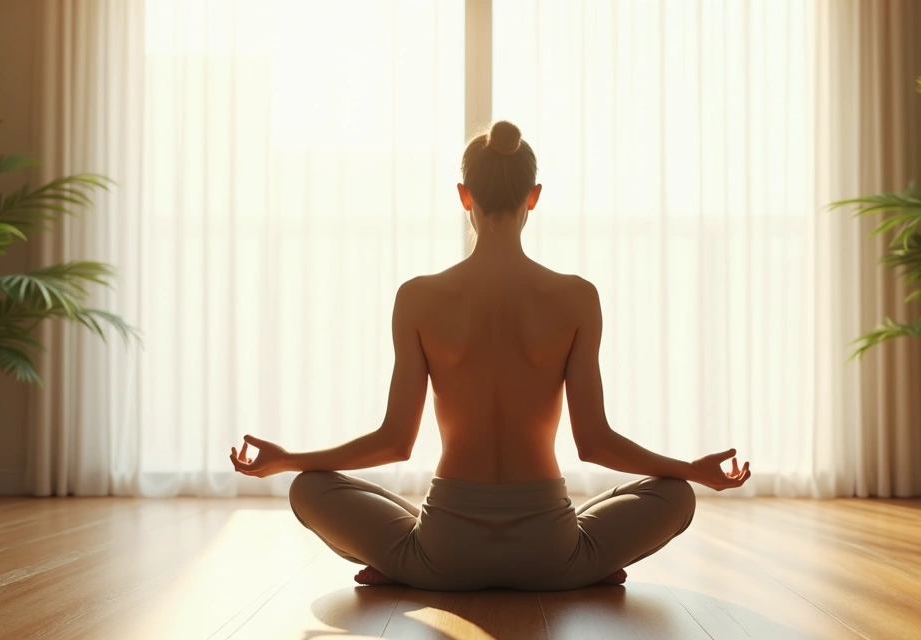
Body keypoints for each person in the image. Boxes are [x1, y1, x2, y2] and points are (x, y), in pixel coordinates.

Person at [229, 120, 751, 591]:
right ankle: (584, 567)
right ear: (534, 196)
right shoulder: (576, 297)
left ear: (463, 195)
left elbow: (394, 442)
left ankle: (404, 567)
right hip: (551, 552)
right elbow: (594, 443)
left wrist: (288, 460)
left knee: (308, 488)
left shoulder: (418, 297)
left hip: (443, 552)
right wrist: (690, 469)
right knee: (677, 496)